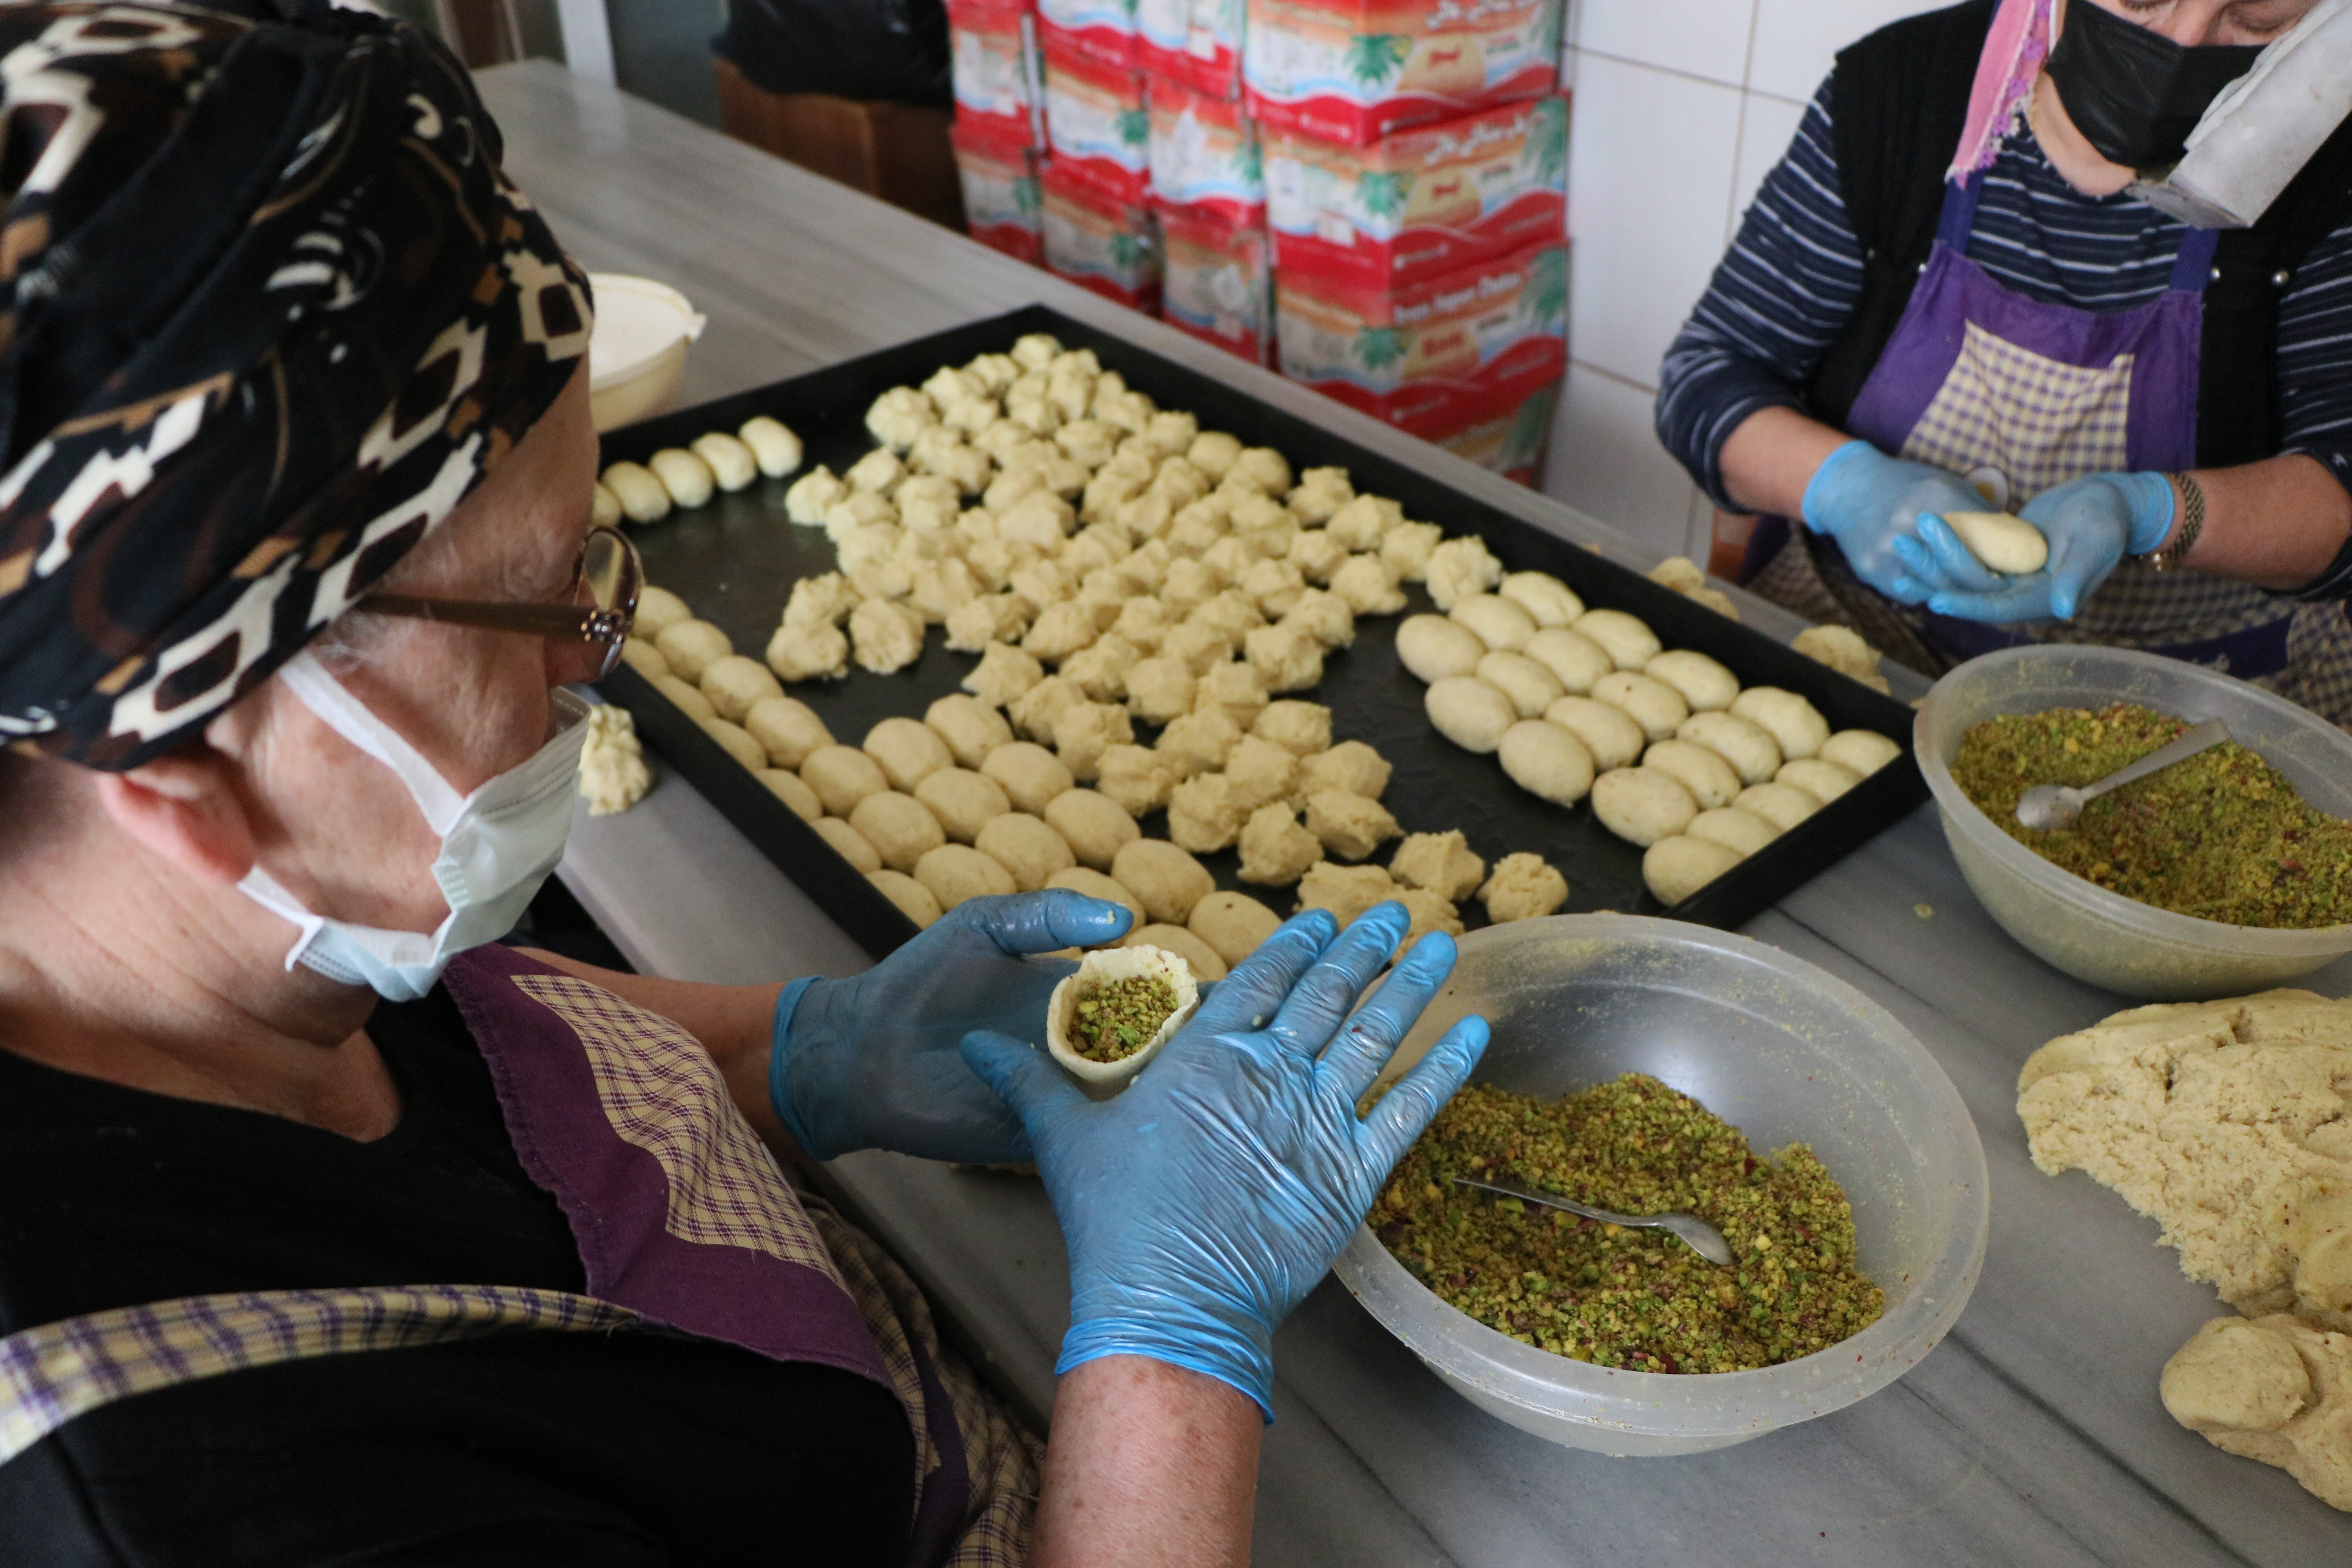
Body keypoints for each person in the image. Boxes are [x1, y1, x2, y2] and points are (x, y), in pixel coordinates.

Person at [0, 6, 1488, 1563]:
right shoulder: (204, 1497)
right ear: (192, 781)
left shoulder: (236, 939)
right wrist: (1176, 1341)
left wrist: (811, 1048)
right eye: (549, 603)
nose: (600, 655)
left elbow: (461, 1066)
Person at [1656, 0, 2352, 724]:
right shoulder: (1903, 91)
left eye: (2258, 18)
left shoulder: (2329, 165)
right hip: (1856, 663)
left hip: (2184, 717)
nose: (2181, 46)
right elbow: (1708, 378)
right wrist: (1843, 486)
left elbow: (2342, 493)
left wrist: (2155, 514)